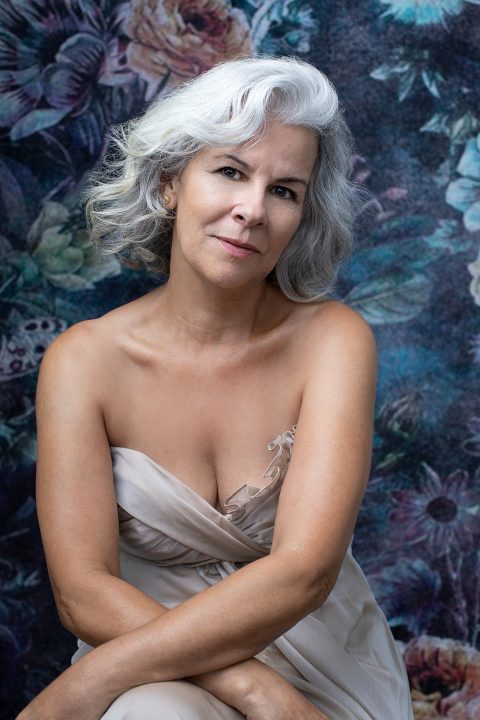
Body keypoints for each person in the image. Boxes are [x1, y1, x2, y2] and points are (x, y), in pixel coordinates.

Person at [16, 55, 414, 720]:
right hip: (140, 654)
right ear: (172, 183)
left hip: (321, 665)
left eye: (284, 190)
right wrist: (256, 691)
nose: (252, 211)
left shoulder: (333, 341)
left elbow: (305, 572)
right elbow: (83, 594)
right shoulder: (82, 361)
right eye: (230, 172)